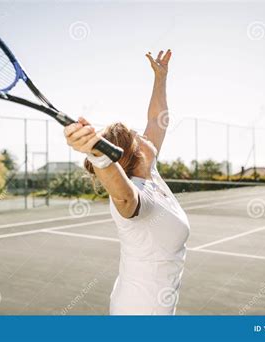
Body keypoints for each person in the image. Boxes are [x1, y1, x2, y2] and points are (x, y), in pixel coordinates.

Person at [64, 49, 190, 315]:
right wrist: (98, 155)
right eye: (137, 135)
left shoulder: (150, 173)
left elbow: (158, 120)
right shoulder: (135, 194)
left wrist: (161, 78)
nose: (145, 135)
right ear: (133, 154)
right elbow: (123, 197)